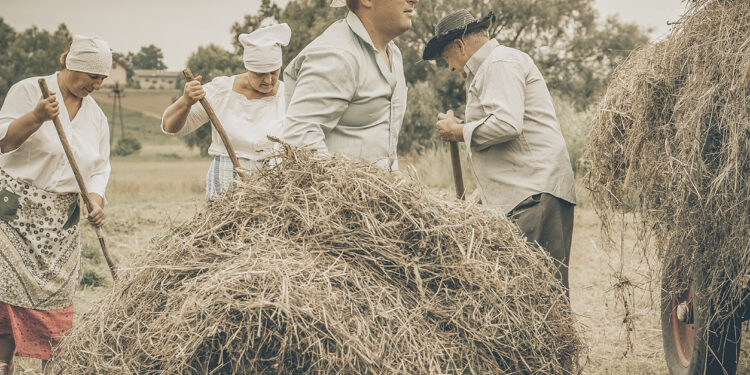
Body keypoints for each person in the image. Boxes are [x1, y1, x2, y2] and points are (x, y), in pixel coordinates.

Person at [423, 9, 577, 294]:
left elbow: (506, 124)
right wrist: (483, 196)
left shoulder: (498, 63)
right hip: (529, 195)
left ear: (459, 45)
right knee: (530, 299)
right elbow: (507, 134)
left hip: (534, 197)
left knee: (540, 301)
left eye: (447, 58)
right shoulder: (493, 67)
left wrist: (458, 132)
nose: (450, 68)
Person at [0, 35, 112, 373]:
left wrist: (95, 199)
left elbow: (100, 168)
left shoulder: (97, 118)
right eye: (93, 76)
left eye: (102, 79)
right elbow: (4, 142)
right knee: (6, 301)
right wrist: (35, 117)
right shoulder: (29, 90)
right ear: (71, 65)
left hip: (61, 224)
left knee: (58, 308)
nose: (98, 84)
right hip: (16, 216)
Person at [281, 0, 418, 171]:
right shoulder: (338, 54)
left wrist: (391, 177)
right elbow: (299, 140)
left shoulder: (394, 54)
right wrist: (348, 190)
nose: (415, 0)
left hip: (375, 196)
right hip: (337, 196)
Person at [162, 24, 291, 198]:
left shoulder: (288, 97)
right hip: (225, 185)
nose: (268, 80)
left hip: (272, 188)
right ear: (248, 68)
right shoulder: (221, 91)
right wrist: (185, 101)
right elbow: (171, 128)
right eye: (260, 74)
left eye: (274, 73)